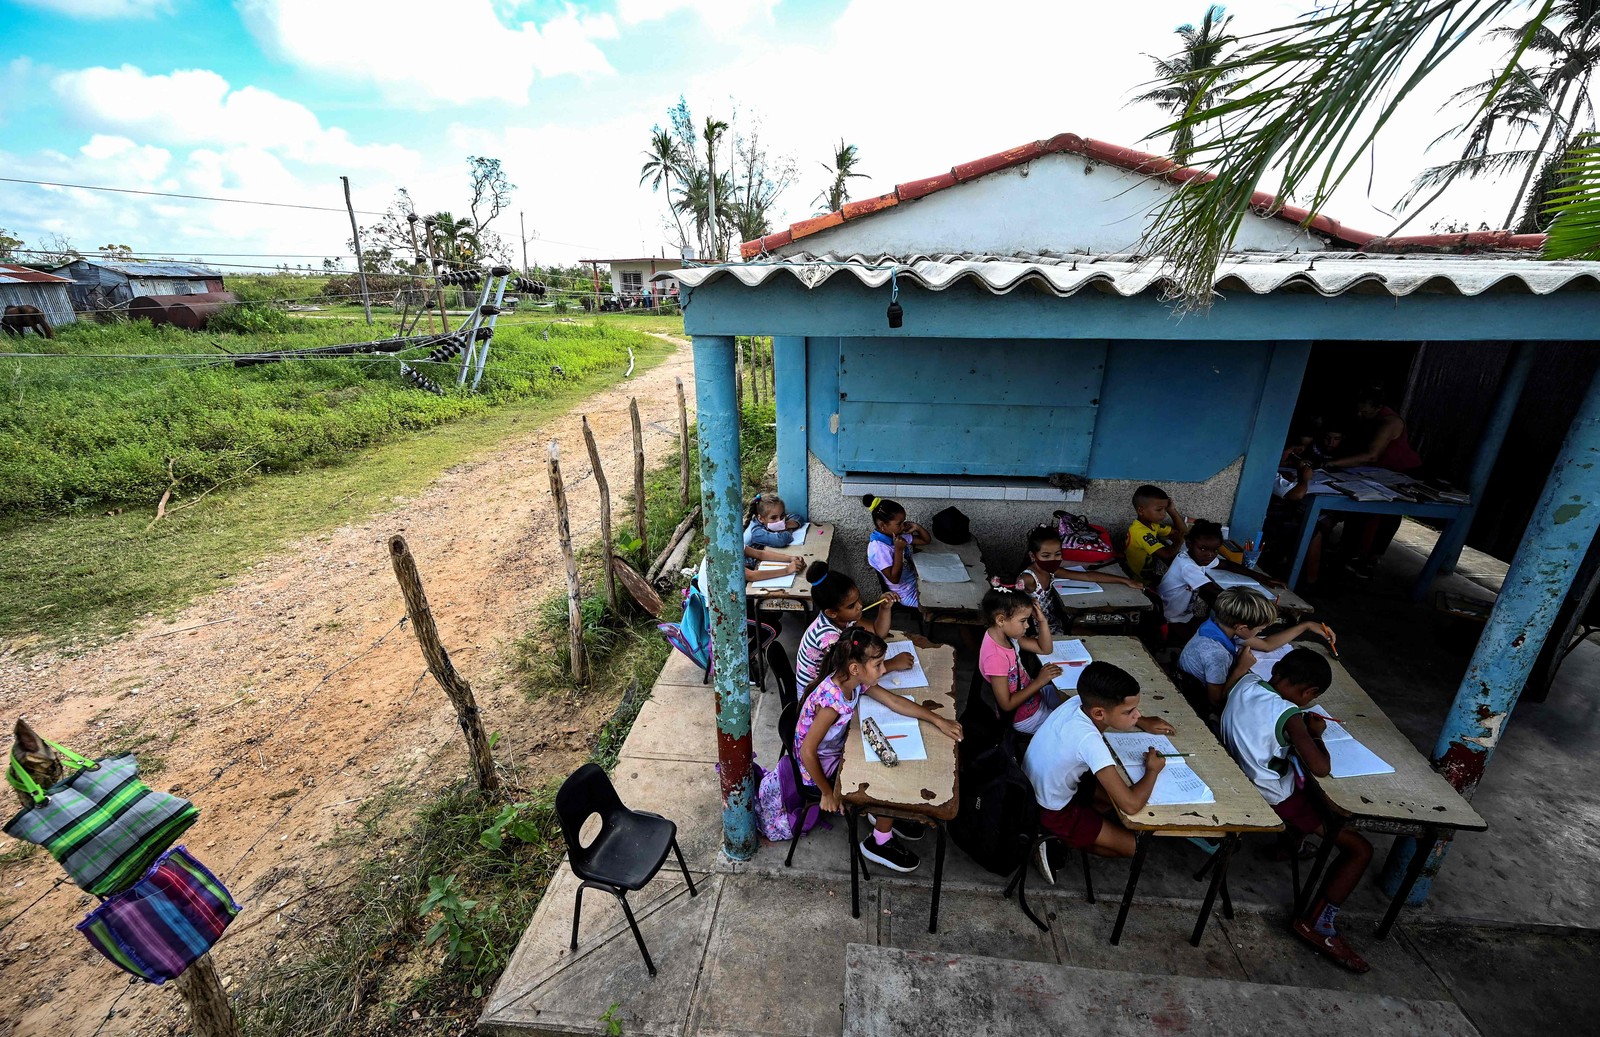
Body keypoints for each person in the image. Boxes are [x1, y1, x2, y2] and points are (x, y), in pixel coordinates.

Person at [756, 628, 962, 870]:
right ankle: (879, 841)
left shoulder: (852, 681)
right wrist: (826, 793)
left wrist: (937, 720)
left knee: (890, 760)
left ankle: (884, 816)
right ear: (855, 668)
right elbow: (806, 752)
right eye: (878, 665)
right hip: (815, 771)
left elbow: (893, 701)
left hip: (830, 753)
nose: (884, 670)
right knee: (888, 777)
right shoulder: (832, 702)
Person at [1219, 648, 1373, 973]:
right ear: (1309, 693)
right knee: (1359, 848)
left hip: (1238, 774)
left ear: (1276, 669)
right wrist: (1316, 735)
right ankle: (1319, 924)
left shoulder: (1246, 683)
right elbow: (1320, 767)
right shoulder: (1290, 715)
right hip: (1270, 794)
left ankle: (1289, 845)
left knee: (1306, 788)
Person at [1020, 662, 1176, 881]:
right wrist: (1152, 770)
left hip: (1036, 785)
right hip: (1051, 810)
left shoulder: (1077, 702)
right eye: (1129, 711)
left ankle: (1084, 826)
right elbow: (1130, 805)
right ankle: (1053, 839)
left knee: (1108, 798)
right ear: (1099, 713)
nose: (1137, 714)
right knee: (1133, 846)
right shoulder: (1089, 741)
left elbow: (1107, 714)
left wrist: (1141, 722)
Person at [1177, 587, 1336, 713]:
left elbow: (1267, 645)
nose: (1259, 634)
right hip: (1197, 700)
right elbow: (1216, 701)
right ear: (1242, 628)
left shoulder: (1219, 626)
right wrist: (1241, 668)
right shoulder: (1217, 655)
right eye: (1259, 630)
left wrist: (1306, 626)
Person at [1326, 386, 1424, 578]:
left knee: (1386, 514)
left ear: (1378, 408)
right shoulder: (1369, 420)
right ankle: (1348, 550)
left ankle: (1370, 559)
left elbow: (1371, 456)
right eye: (1358, 409)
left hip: (1402, 473)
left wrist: (1330, 463)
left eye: (1364, 411)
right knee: (1358, 507)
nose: (1359, 414)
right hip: (1377, 472)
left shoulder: (1389, 423)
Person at [794, 561, 910, 691]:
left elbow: (878, 632)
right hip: (816, 694)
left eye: (858, 599)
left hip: (836, 681)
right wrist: (893, 664)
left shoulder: (845, 619)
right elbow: (852, 673)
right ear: (831, 613)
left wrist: (884, 609)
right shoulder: (829, 637)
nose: (860, 606)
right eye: (851, 606)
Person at [1155, 520, 1285, 633]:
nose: (1210, 555)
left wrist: (1262, 577)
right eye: (1203, 549)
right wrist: (1256, 604)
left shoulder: (1197, 556)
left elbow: (1228, 565)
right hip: (1169, 618)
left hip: (1182, 615)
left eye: (1215, 550)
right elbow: (1214, 591)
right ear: (1189, 544)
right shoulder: (1187, 565)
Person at [1016, 523, 1144, 635]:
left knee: (1097, 632)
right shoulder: (1029, 577)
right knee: (1094, 635)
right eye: (1046, 555)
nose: (1053, 559)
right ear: (1033, 556)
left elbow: (1088, 576)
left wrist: (1126, 581)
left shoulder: (1051, 571)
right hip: (1039, 629)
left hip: (1055, 621)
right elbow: (1010, 588)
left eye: (1058, 554)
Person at [978, 587, 1064, 735]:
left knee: (1072, 701)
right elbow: (1006, 704)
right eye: (1023, 621)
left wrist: (1042, 620)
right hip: (1026, 717)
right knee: (1070, 726)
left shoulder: (1006, 637)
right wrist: (1039, 681)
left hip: (1036, 697)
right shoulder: (996, 657)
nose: (1027, 626)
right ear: (1001, 620)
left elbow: (1045, 649)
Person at [863, 495, 931, 607]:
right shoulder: (878, 548)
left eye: (904, 521)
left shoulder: (895, 535)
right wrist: (898, 550)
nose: (903, 526)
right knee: (940, 602)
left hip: (915, 581)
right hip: (904, 594)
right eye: (899, 524)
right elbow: (894, 579)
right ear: (883, 526)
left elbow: (925, 540)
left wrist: (917, 527)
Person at [1125, 485, 1188, 584]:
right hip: (1138, 580)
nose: (1163, 514)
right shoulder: (1141, 532)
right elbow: (1166, 555)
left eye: (1165, 509)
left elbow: (1183, 532)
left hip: (1148, 576)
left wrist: (1172, 510)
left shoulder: (1153, 525)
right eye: (1159, 510)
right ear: (1141, 510)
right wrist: (1178, 542)